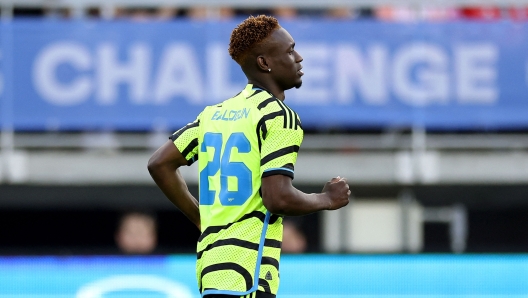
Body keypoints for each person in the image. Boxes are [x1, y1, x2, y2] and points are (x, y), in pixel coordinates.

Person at [148, 15, 350, 298]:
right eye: (290, 50)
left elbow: (160, 163)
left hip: (211, 270)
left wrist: (201, 218)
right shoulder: (279, 116)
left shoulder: (212, 114)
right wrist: (326, 199)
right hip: (249, 274)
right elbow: (277, 198)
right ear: (265, 63)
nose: (299, 58)